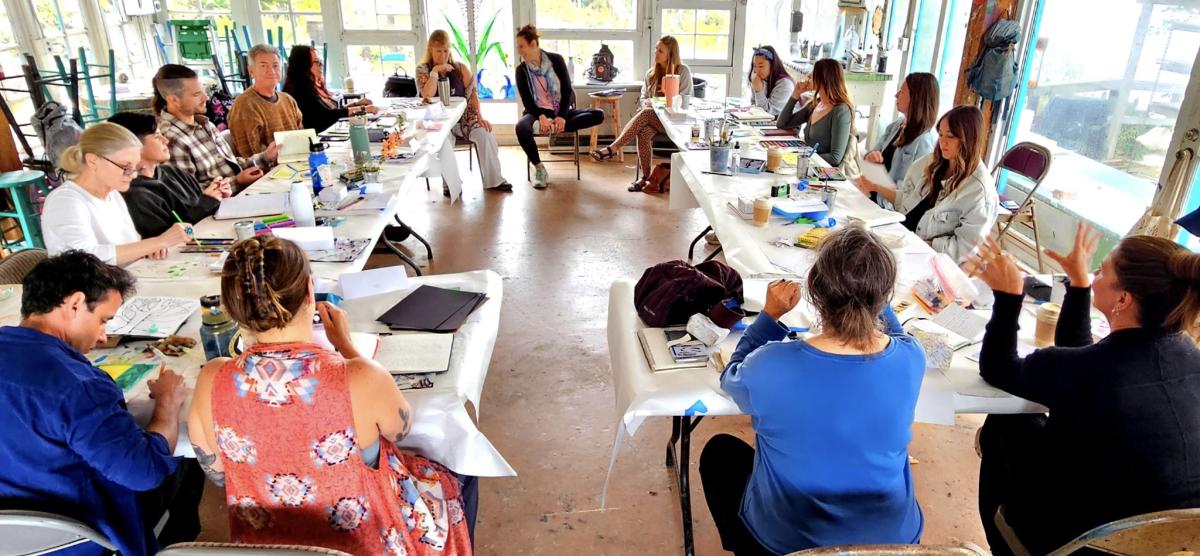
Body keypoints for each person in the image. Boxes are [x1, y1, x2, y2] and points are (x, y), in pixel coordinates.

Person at [187, 236, 476, 554]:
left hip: (269, 546)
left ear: (232, 309)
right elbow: (399, 431)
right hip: (365, 540)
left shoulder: (212, 378)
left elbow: (216, 473)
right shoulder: (358, 376)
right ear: (310, 292)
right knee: (459, 468)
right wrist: (348, 348)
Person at [967, 224, 1200, 554]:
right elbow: (1083, 360)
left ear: (1123, 298)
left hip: (1081, 543)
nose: (1094, 274)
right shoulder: (1189, 355)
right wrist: (1079, 285)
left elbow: (999, 368)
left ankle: (1007, 541)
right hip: (1171, 540)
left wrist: (1008, 297)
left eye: (1101, 271)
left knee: (1005, 420)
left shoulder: (1084, 371)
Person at [700, 224, 925, 554]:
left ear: (815, 293)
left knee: (719, 453)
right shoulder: (911, 357)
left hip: (791, 543)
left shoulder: (770, 365)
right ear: (885, 295)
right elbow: (899, 335)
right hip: (892, 543)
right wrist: (874, 298)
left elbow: (731, 375)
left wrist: (769, 317)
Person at [0, 251, 203, 556]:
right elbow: (143, 471)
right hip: (76, 532)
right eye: (103, 320)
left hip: (11, 535)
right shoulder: (77, 387)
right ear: (74, 304)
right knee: (189, 452)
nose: (103, 334)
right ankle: (173, 544)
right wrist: (167, 403)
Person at [854, 105, 996, 263]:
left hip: (927, 257)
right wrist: (876, 186)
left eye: (950, 136)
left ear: (968, 139)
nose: (942, 142)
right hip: (902, 237)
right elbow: (908, 202)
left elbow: (965, 247)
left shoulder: (978, 191)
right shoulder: (934, 162)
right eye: (941, 135)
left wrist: (920, 246)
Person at [42, 122, 191, 265]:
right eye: (125, 167)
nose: (133, 175)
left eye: (135, 168)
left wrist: (149, 248)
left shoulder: (112, 193)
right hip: (87, 288)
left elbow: (129, 243)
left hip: (123, 279)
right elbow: (83, 258)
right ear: (93, 161)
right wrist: (159, 241)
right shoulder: (65, 200)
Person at [589, 36, 693, 192]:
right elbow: (644, 97)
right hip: (653, 120)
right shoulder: (651, 73)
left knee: (646, 113)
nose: (655, 53)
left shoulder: (682, 72)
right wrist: (647, 102)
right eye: (656, 49)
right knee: (643, 132)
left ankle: (613, 148)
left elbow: (684, 103)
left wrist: (658, 102)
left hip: (672, 122)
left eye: (660, 51)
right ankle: (646, 178)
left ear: (670, 54)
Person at [416, 30, 512, 195]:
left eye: (446, 50)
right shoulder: (423, 70)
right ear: (431, 50)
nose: (443, 55)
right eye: (439, 51)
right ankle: (451, 184)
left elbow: (472, 93)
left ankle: (494, 180)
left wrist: (480, 117)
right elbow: (427, 94)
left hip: (464, 120)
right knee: (443, 141)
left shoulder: (460, 69)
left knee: (485, 133)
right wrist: (435, 72)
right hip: (438, 122)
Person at [154, 64, 278, 190]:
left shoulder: (204, 124)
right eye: (197, 94)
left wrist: (265, 157)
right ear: (173, 100)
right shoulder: (170, 139)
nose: (206, 97)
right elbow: (188, 195)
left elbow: (230, 165)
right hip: (219, 207)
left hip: (239, 195)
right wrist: (237, 181)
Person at [108, 111, 229, 238]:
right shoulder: (135, 194)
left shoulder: (173, 172)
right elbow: (169, 239)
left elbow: (204, 210)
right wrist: (205, 205)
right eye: (157, 136)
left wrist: (219, 198)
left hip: (212, 234)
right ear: (134, 146)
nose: (166, 141)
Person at [514, 24, 604, 190]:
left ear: (533, 44)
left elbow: (566, 91)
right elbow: (527, 101)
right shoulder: (521, 71)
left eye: (521, 46)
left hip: (559, 112)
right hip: (536, 113)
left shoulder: (556, 60)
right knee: (521, 128)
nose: (519, 50)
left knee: (598, 114)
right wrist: (541, 117)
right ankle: (540, 169)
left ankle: (556, 126)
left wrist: (560, 117)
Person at [859, 72, 940, 205]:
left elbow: (913, 191)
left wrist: (879, 185)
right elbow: (874, 151)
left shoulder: (924, 142)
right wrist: (870, 156)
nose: (896, 95)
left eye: (901, 92)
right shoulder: (897, 125)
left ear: (915, 99)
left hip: (888, 206)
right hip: (871, 196)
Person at [227, 43, 304, 158]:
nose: (271, 71)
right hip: (268, 172)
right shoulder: (244, 105)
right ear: (251, 71)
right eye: (263, 66)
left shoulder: (287, 99)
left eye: (275, 65)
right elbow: (249, 154)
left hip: (296, 162)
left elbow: (301, 136)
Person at [777, 58, 855, 167]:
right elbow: (782, 124)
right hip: (806, 165)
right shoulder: (815, 104)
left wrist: (802, 158)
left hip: (821, 170)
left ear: (824, 79)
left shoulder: (841, 111)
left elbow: (835, 158)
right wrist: (796, 94)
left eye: (813, 73)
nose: (808, 76)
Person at [283, 45, 377, 134]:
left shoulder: (311, 86)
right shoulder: (300, 90)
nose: (321, 65)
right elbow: (328, 115)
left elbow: (331, 112)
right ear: (303, 65)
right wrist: (363, 109)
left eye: (320, 61)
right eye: (316, 61)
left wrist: (356, 104)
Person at [747, 46, 794, 116]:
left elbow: (766, 114)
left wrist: (759, 91)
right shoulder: (760, 79)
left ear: (772, 65)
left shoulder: (785, 84)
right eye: (754, 66)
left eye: (761, 66)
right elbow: (754, 106)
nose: (756, 70)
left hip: (784, 125)